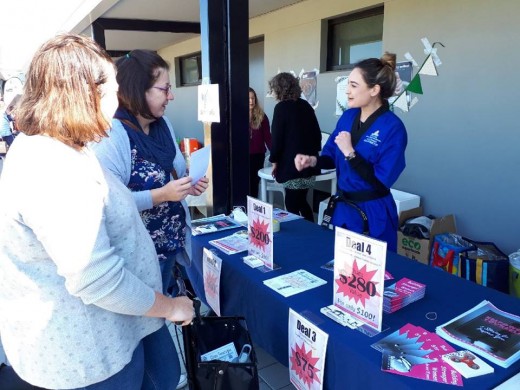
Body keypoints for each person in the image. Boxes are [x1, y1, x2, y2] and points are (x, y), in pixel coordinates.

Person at [0, 33, 194, 390]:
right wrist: (171, 307)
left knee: (163, 376)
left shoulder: (64, 147)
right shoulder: (53, 167)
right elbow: (97, 278)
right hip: (89, 353)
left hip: (120, 325)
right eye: (110, 90)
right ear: (83, 94)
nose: (116, 99)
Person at [90, 50, 208, 297]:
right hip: (138, 257)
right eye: (164, 89)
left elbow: (175, 172)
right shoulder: (111, 136)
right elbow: (107, 203)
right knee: (154, 319)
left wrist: (189, 183)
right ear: (138, 90)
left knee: (173, 308)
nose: (171, 96)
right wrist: (162, 195)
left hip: (173, 241)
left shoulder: (163, 124)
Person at [295, 52, 407, 252]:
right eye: (348, 84)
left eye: (354, 86)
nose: (347, 91)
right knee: (341, 271)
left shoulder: (393, 128)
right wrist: (312, 161)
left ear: (374, 89)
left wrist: (351, 153)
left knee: (371, 277)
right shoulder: (348, 117)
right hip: (344, 210)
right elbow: (330, 156)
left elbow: (381, 182)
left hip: (373, 213)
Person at [268, 72, 322, 221]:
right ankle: (312, 232)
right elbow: (317, 136)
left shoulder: (281, 108)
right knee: (302, 202)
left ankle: (301, 237)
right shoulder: (306, 106)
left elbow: (276, 141)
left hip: (291, 167)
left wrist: (274, 162)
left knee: (291, 205)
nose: (272, 93)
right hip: (308, 166)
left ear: (279, 89)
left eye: (273, 89)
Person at [248, 87, 272, 197]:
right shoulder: (237, 116)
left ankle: (251, 212)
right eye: (248, 98)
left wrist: (277, 155)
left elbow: (268, 138)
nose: (251, 101)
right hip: (241, 157)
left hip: (257, 156)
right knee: (242, 185)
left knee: (253, 185)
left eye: (253, 98)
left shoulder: (262, 116)